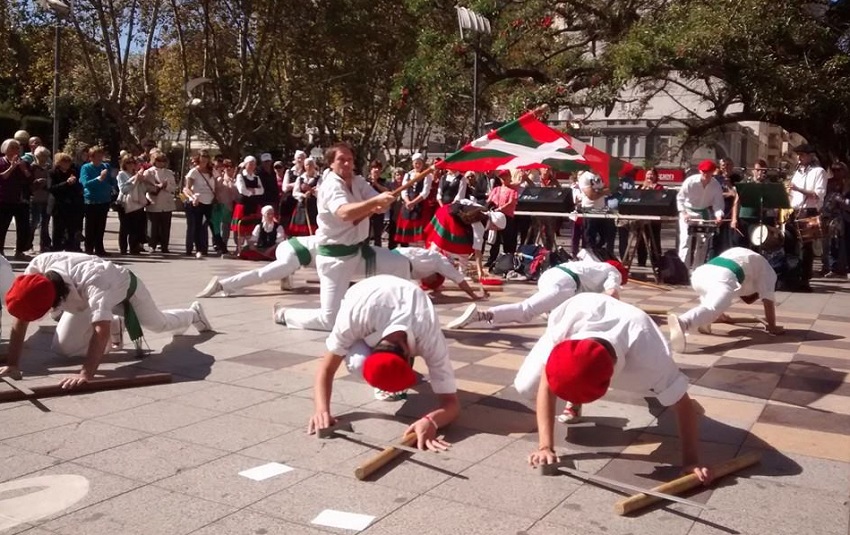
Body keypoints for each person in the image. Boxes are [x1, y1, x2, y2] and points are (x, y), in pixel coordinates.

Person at [517, 293, 710, 482]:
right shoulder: (564, 331)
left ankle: (666, 396)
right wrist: (545, 446)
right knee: (526, 387)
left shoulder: (650, 355)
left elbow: (683, 405)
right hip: (582, 312)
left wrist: (691, 462)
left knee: (669, 394)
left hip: (633, 345)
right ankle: (575, 398)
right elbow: (546, 384)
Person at [0, 252, 213, 387]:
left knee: (159, 324)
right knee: (64, 348)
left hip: (125, 289)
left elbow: (100, 331)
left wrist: (86, 374)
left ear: (56, 300)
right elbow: (21, 317)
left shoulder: (95, 282)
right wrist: (13, 364)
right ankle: (112, 321)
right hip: (82, 300)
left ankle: (193, 314)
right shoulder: (37, 268)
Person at [307, 275, 459, 443]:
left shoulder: (429, 337)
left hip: (406, 290)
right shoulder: (354, 318)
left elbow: (451, 403)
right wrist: (322, 410)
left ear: (409, 353)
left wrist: (431, 421)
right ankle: (284, 316)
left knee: (370, 364)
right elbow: (326, 368)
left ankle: (392, 376)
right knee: (358, 364)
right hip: (363, 292)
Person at [275, 142, 405, 331]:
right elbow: (344, 213)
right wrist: (374, 203)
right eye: (341, 160)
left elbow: (377, 201)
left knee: (399, 263)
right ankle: (285, 314)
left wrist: (382, 202)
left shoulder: (358, 181)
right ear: (331, 164)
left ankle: (395, 319)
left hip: (359, 253)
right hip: (335, 259)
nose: (346, 164)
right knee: (329, 320)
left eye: (349, 160)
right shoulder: (330, 186)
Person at [449, 259, 627, 329]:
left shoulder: (592, 264)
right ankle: (481, 315)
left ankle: (550, 312)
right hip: (565, 284)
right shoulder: (614, 271)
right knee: (526, 311)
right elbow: (611, 294)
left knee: (566, 310)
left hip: (550, 275)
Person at [667, 247, 785, 353]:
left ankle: (705, 321)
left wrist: (722, 316)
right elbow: (768, 301)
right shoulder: (769, 273)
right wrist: (772, 326)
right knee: (711, 308)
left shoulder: (745, 254)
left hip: (700, 274)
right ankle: (683, 322)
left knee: (712, 302)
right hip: (724, 277)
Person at [425, 200, 506, 281]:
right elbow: (478, 251)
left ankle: (427, 262)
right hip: (449, 216)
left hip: (446, 209)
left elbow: (464, 201)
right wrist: (480, 271)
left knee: (441, 242)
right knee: (460, 249)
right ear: (494, 225)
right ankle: (427, 266)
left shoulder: (481, 209)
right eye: (497, 229)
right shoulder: (480, 224)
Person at [787, 144, 826, 291]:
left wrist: (797, 189)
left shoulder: (819, 172)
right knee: (790, 243)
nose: (799, 157)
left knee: (806, 247)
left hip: (809, 211)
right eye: (798, 154)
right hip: (794, 210)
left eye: (802, 154)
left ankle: (805, 279)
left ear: (810, 156)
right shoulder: (797, 172)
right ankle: (792, 275)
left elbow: (817, 195)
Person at [676, 159, 725, 263]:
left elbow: (718, 204)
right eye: (704, 172)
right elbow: (680, 199)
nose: (705, 174)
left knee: (703, 243)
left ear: (713, 172)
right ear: (700, 171)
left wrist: (718, 216)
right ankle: (683, 270)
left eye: (708, 172)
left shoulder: (716, 185)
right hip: (688, 211)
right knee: (686, 241)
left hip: (703, 213)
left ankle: (697, 269)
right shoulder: (690, 182)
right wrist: (684, 213)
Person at [78, 146, 115, 257]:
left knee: (101, 226)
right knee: (91, 226)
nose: (100, 158)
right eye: (97, 156)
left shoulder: (106, 166)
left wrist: (111, 184)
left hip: (104, 200)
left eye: (101, 155)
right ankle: (89, 249)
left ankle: (100, 248)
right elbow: (85, 183)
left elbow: (112, 181)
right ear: (91, 157)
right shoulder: (86, 167)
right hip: (91, 200)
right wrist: (99, 178)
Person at [0, 139, 33, 260]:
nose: (15, 150)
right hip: (4, 199)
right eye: (12, 147)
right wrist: (12, 167)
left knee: (24, 227)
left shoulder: (23, 163)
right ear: (5, 149)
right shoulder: (1, 161)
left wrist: (24, 169)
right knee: (2, 227)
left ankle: (20, 251)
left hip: (21, 200)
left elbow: (30, 180)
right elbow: (3, 177)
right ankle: (0, 252)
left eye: (17, 148)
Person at [183, 151, 216, 258]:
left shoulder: (212, 171)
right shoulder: (194, 171)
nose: (205, 159)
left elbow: (218, 183)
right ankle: (197, 249)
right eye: (203, 156)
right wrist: (193, 197)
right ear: (199, 158)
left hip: (209, 201)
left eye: (207, 156)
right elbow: (187, 188)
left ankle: (204, 248)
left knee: (205, 226)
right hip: (197, 202)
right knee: (197, 226)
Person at [394, 153, 432, 246]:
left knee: (420, 235)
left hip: (420, 206)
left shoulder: (427, 175)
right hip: (408, 206)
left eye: (419, 163)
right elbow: (404, 190)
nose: (417, 165)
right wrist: (408, 202)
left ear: (422, 163)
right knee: (409, 235)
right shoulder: (408, 175)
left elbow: (425, 192)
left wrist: (414, 202)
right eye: (416, 163)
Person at [49, 152, 84, 252]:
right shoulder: (53, 173)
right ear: (59, 162)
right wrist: (66, 183)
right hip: (59, 206)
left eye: (69, 161)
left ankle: (70, 249)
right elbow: (52, 188)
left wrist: (75, 183)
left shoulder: (73, 172)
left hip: (72, 205)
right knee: (58, 230)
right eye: (65, 161)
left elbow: (78, 188)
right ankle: (56, 249)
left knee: (71, 230)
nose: (67, 163)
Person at [143, 151, 177, 254]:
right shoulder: (148, 172)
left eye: (163, 160)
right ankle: (152, 245)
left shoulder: (169, 173)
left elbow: (174, 187)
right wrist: (157, 187)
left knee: (165, 227)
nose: (161, 163)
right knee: (153, 226)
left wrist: (166, 186)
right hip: (154, 202)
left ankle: (164, 246)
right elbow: (146, 187)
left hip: (166, 203)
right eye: (159, 160)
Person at [115, 155, 149, 255]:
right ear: (124, 164)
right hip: (125, 203)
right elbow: (124, 189)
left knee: (136, 227)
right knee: (124, 227)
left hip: (137, 202)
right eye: (128, 162)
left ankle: (134, 247)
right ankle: (123, 248)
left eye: (133, 162)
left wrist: (142, 180)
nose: (131, 165)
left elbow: (143, 189)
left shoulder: (136, 173)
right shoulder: (122, 174)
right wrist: (134, 180)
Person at [230, 155, 265, 251]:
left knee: (251, 228)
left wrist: (252, 190)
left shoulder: (256, 177)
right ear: (245, 165)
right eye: (250, 164)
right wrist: (253, 192)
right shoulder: (240, 176)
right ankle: (239, 249)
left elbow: (262, 190)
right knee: (240, 228)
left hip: (253, 206)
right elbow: (242, 190)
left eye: (254, 164)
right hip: (242, 205)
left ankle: (249, 248)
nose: (252, 166)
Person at [636, 167, 665, 266]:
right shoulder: (640, 187)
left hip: (654, 219)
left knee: (655, 242)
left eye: (652, 174)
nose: (650, 176)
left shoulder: (659, 187)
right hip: (642, 218)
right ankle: (641, 262)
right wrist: (644, 189)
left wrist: (651, 189)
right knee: (641, 241)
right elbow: (637, 199)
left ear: (656, 176)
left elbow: (659, 198)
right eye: (648, 174)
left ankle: (656, 263)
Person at [288, 157, 322, 236]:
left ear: (314, 166)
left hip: (313, 207)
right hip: (302, 207)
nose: (309, 167)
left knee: (313, 226)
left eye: (311, 164)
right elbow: (295, 192)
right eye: (307, 165)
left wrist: (313, 192)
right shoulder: (300, 179)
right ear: (304, 166)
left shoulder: (319, 178)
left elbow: (321, 191)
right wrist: (303, 195)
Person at [27, 147, 52, 253]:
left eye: (46, 156)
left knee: (45, 223)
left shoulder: (49, 168)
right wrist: (37, 182)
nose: (44, 159)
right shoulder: (31, 167)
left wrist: (47, 183)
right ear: (36, 156)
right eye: (42, 156)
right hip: (35, 198)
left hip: (46, 198)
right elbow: (27, 183)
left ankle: (44, 245)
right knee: (33, 223)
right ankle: (28, 245)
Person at [366, 160, 390, 246]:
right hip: (367, 211)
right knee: (366, 234)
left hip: (379, 211)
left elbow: (387, 192)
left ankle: (378, 253)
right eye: (374, 168)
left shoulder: (383, 181)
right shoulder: (364, 181)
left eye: (378, 168)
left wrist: (376, 183)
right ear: (370, 169)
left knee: (378, 234)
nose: (376, 170)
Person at [280, 150, 306, 227]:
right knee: (286, 223)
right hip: (289, 200)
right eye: (298, 158)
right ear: (295, 159)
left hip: (301, 201)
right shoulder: (289, 172)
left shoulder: (307, 172)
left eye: (302, 158)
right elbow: (284, 188)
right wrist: (297, 184)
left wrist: (291, 185)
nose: (300, 160)